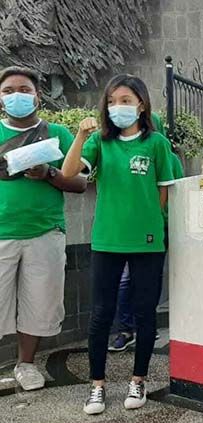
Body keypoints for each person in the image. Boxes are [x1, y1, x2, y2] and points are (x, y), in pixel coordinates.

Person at [61, 74, 176, 414]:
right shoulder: (99, 141)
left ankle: (137, 380)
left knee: (144, 314)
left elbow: (163, 189)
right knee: (100, 315)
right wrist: (80, 137)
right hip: (107, 240)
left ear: (141, 104)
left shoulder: (156, 143)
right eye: (112, 101)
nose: (118, 107)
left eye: (125, 100)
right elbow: (68, 173)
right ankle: (97, 386)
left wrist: (147, 221)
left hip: (147, 242)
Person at [0, 66, 87, 391]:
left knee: (39, 302)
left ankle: (26, 364)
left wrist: (49, 174)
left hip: (45, 232)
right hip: (1, 232)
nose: (17, 96)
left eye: (24, 90)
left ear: (38, 96)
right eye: (9, 90)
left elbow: (79, 183)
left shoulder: (60, 134)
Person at [109, 112, 176, 352]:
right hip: (129, 231)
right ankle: (126, 329)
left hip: (161, 230)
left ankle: (146, 326)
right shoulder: (119, 153)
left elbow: (177, 189)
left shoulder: (167, 154)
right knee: (126, 280)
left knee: (150, 281)